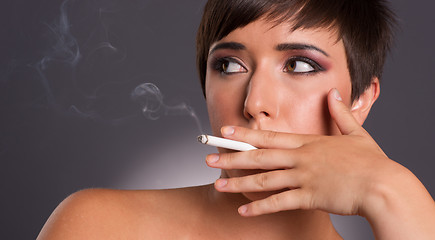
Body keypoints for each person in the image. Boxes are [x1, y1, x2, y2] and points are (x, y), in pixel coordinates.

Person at [37, 0, 435, 239]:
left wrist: (392, 188)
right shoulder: (99, 227)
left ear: (362, 99)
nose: (255, 103)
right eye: (228, 65)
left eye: (298, 64)